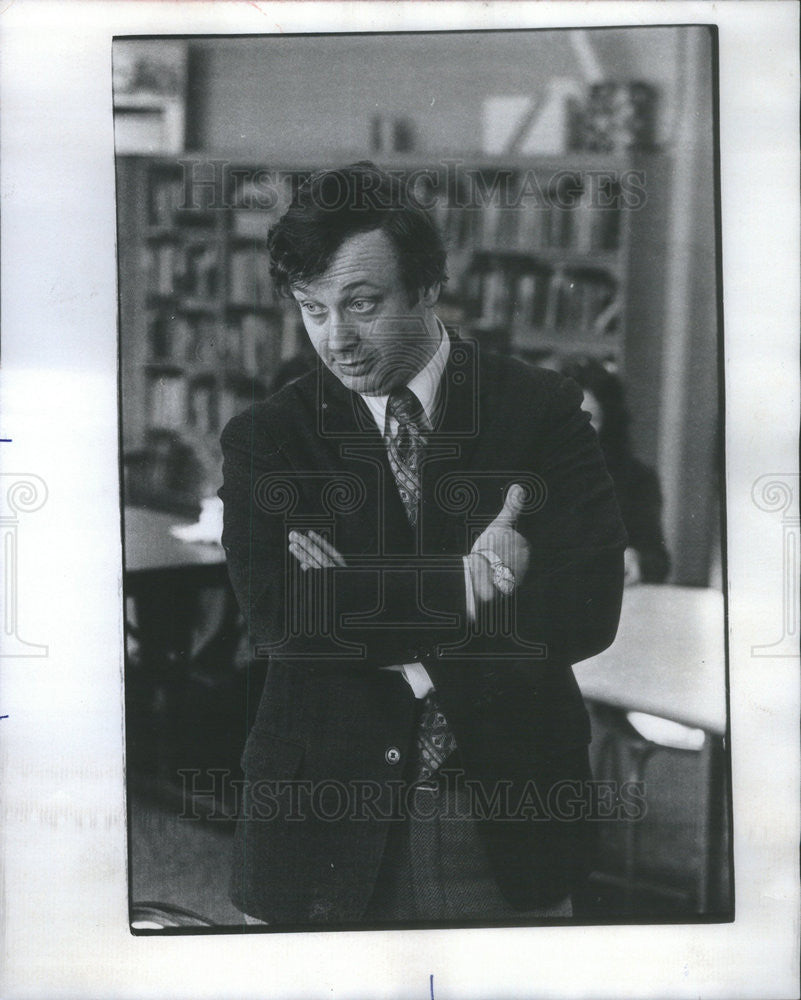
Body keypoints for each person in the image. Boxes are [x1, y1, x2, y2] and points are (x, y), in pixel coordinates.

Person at [218, 161, 627, 926]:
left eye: (362, 304)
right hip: (320, 821)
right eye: (312, 309)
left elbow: (586, 609)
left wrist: (353, 590)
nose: (334, 339)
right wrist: (462, 583)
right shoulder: (267, 437)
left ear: (428, 287)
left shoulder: (540, 411)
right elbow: (280, 620)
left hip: (506, 813)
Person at [559, 358, 670, 585]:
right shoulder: (526, 474)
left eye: (591, 419)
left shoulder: (638, 479)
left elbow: (658, 561)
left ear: (609, 424)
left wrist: (635, 559)